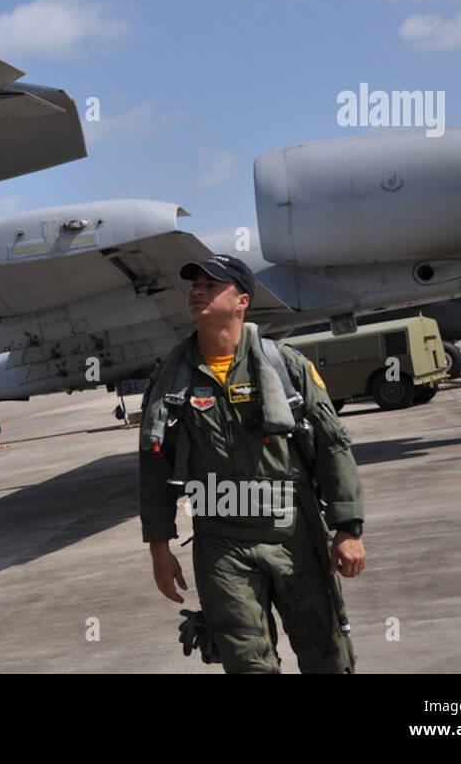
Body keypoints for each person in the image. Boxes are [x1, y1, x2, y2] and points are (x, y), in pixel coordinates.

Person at [139, 254, 366, 673]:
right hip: (221, 543)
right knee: (247, 665)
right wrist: (159, 547)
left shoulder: (284, 366)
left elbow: (332, 446)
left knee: (329, 658)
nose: (198, 291)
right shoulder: (171, 379)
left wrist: (347, 528)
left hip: (293, 535)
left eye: (212, 284)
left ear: (242, 300)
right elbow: (155, 464)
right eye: (195, 285)